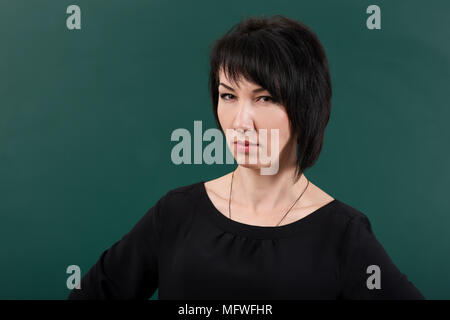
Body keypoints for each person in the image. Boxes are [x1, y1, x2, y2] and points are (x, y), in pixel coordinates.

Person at [67, 15, 425, 300]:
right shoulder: (176, 214)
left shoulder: (342, 235)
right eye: (228, 96)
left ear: (305, 106)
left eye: (264, 98)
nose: (241, 121)